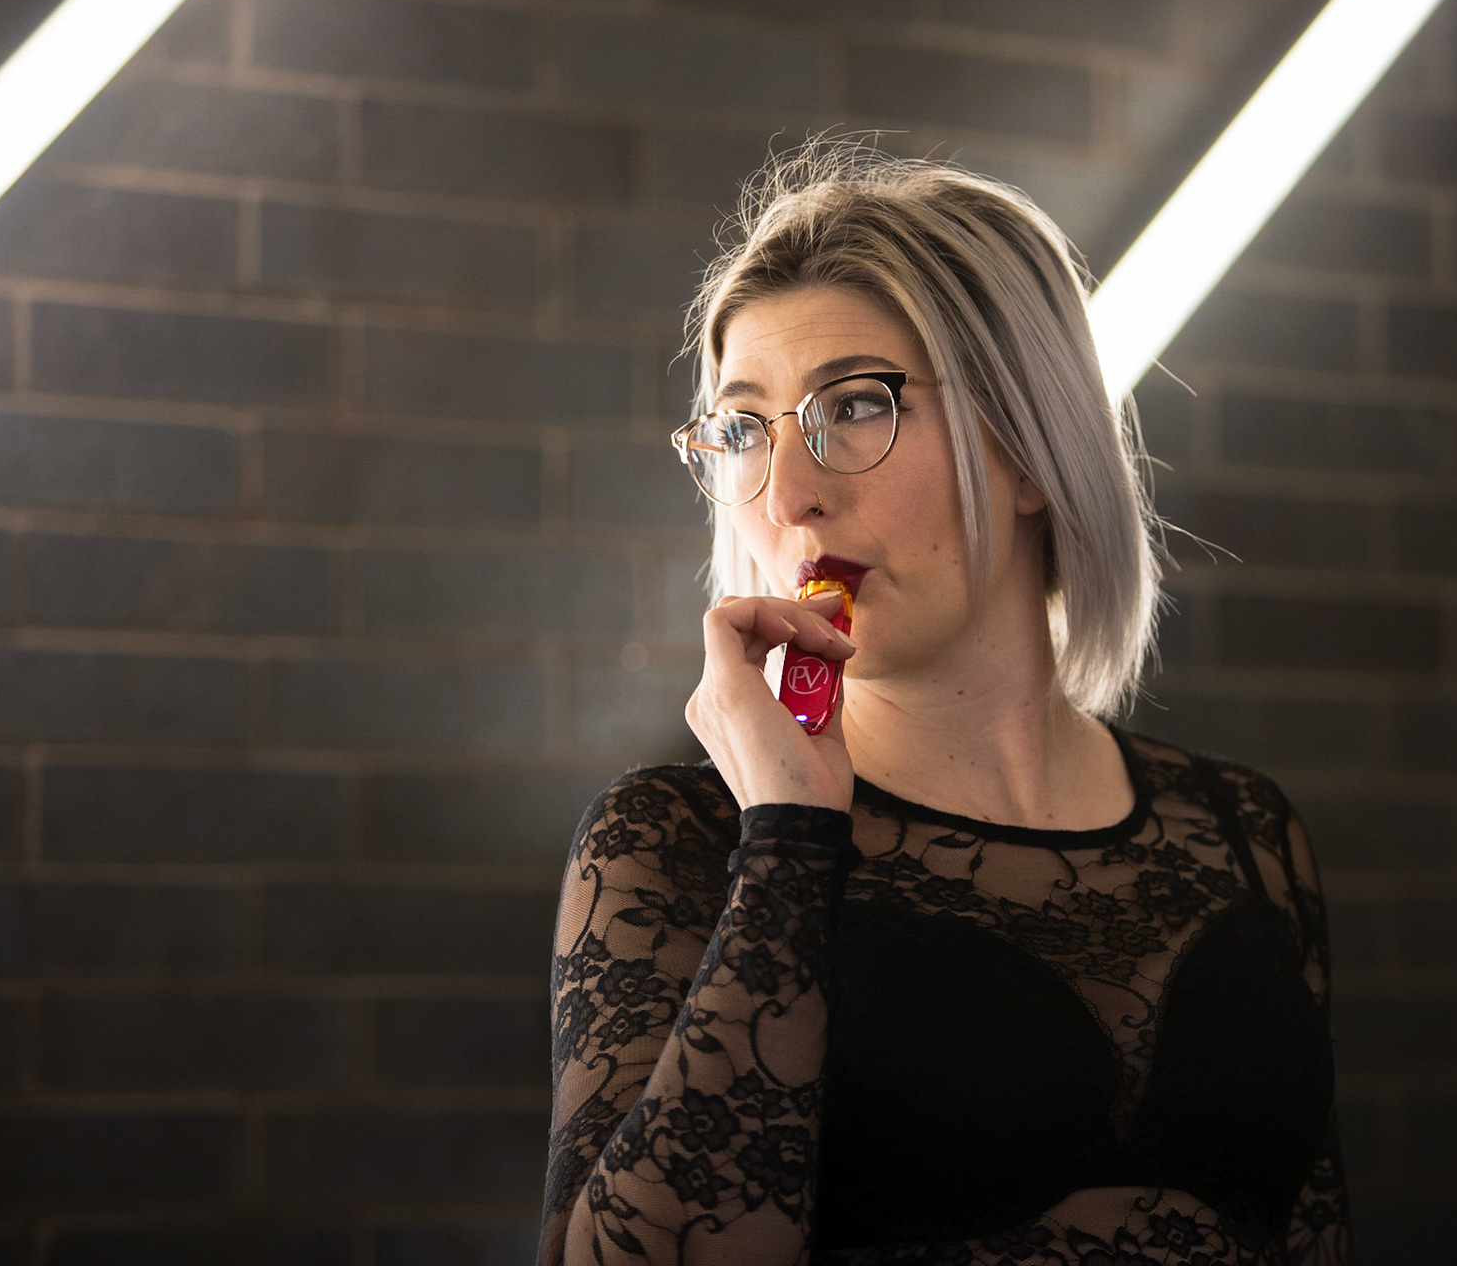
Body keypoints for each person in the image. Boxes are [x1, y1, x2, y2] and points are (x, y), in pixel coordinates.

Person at [539, 143, 1351, 1265]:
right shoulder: (674, 843)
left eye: (854, 406)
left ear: (1032, 449)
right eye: (744, 429)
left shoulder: (1247, 832)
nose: (790, 494)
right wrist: (788, 838)